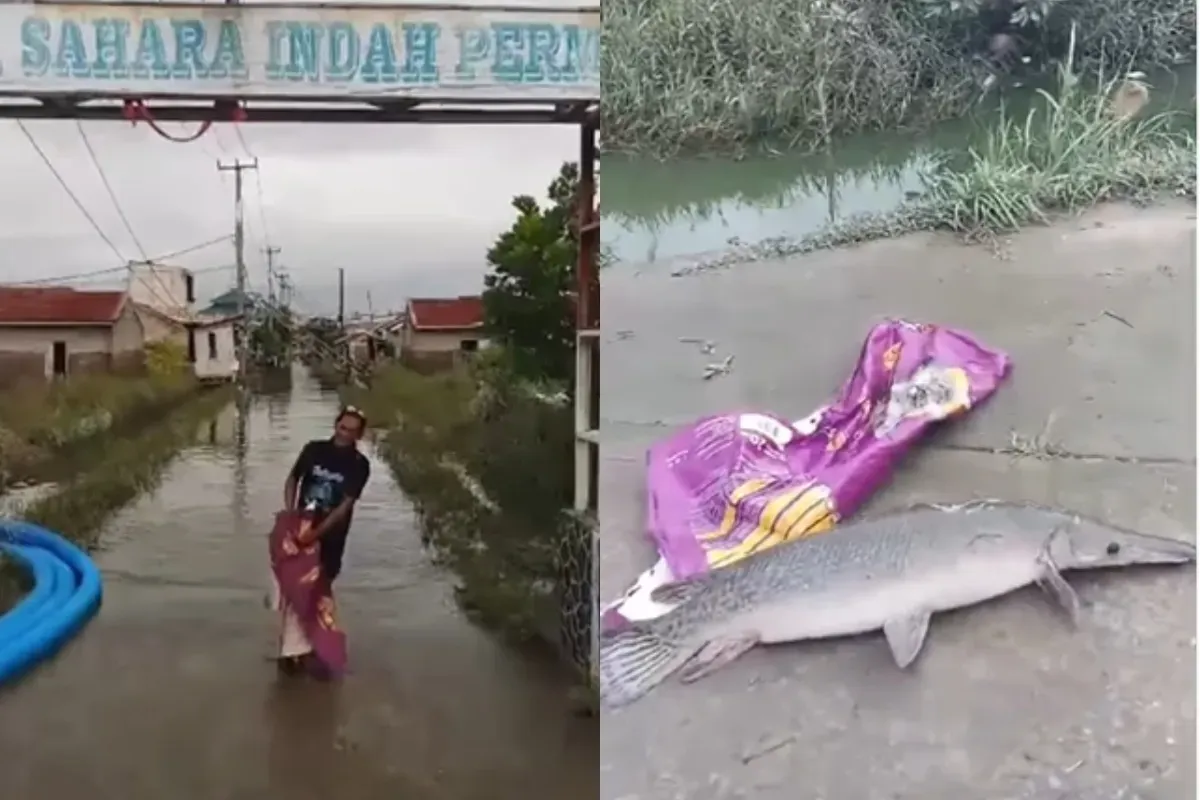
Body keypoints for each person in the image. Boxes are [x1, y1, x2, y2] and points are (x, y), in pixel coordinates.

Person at [272, 406, 371, 676]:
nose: (345, 434)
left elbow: (344, 506)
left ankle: (313, 646)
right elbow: (293, 479)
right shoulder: (314, 450)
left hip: (331, 535)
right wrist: (292, 514)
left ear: (359, 435)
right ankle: (293, 651)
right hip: (299, 529)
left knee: (320, 588)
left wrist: (317, 534)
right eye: (343, 427)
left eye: (352, 431)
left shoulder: (359, 465)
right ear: (335, 426)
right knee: (293, 587)